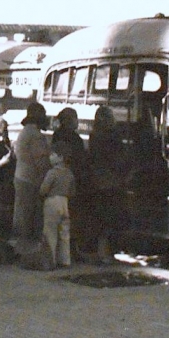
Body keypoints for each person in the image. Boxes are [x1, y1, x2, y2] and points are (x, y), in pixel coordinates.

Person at [11, 102, 51, 254]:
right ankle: (26, 251)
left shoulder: (25, 132)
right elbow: (40, 160)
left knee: (21, 213)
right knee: (28, 216)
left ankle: (18, 248)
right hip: (30, 180)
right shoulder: (35, 135)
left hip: (21, 176)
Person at [88, 106, 126, 263]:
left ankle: (100, 253)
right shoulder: (114, 135)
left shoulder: (94, 135)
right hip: (111, 181)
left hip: (98, 180)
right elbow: (119, 157)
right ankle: (108, 254)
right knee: (110, 217)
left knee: (100, 217)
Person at [52, 107, 90, 257]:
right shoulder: (74, 139)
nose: (77, 121)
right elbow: (79, 160)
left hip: (60, 181)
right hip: (72, 179)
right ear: (69, 120)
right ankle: (71, 250)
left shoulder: (57, 135)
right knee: (71, 217)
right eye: (75, 118)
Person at [40, 141, 75, 269]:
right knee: (64, 233)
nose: (50, 157)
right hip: (65, 202)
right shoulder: (69, 173)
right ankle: (65, 260)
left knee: (50, 232)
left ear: (60, 157)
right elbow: (72, 191)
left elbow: (43, 189)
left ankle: (51, 260)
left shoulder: (52, 173)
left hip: (52, 201)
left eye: (53, 155)